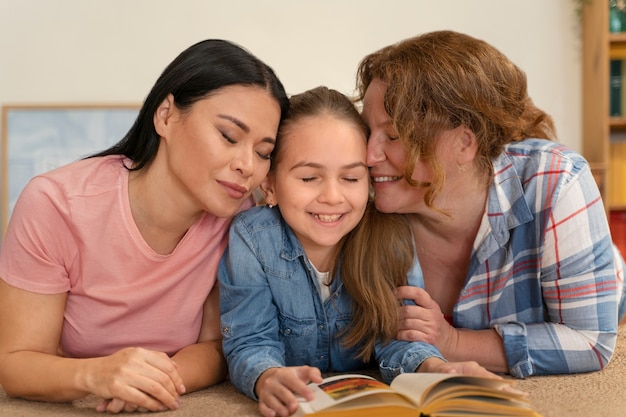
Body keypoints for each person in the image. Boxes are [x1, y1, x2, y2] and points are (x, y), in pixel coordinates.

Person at [0, 39, 288, 413]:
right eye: (229, 136)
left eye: (263, 152)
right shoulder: (56, 204)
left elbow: (219, 346)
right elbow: (15, 362)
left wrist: (152, 378)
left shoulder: (243, 219)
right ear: (166, 115)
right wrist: (97, 375)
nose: (247, 165)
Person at [355, 30, 626, 379]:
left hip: (605, 290)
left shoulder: (557, 179)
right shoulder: (368, 201)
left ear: (464, 143)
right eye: (368, 133)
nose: (368, 155)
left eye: (392, 136)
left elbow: (590, 340)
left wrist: (452, 341)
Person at [218, 86, 497, 417]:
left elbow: (401, 335)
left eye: (351, 178)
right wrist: (266, 377)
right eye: (309, 178)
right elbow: (249, 340)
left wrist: (433, 368)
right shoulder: (252, 237)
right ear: (270, 185)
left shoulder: (391, 234)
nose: (333, 196)